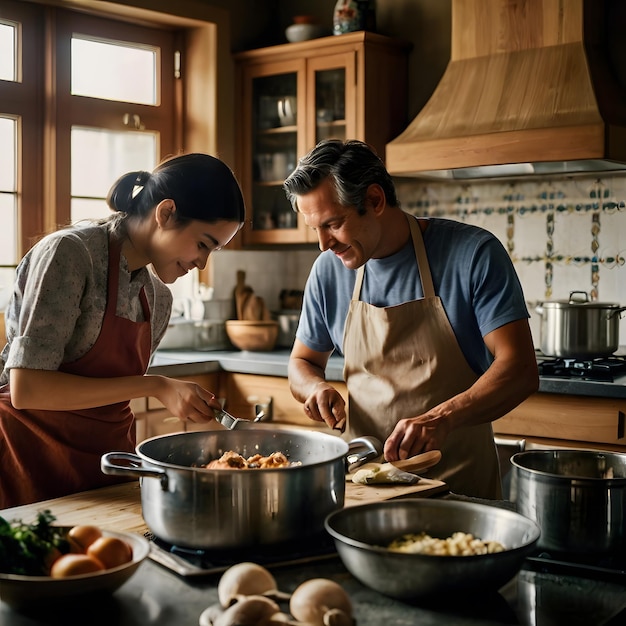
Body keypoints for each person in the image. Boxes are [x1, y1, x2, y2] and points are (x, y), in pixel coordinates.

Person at [283, 139, 539, 499]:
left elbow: (521, 369)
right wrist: (314, 387)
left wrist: (442, 418)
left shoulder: (473, 255)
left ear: (374, 200)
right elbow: (302, 362)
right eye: (315, 229)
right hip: (366, 493)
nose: (324, 244)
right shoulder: (329, 271)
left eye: (334, 224)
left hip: (459, 494)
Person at [0, 152, 245, 507]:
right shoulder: (69, 254)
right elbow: (28, 388)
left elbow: (108, 394)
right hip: (26, 463)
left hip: (105, 472)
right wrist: (156, 386)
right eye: (203, 244)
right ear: (165, 213)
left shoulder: (158, 298)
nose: (202, 263)